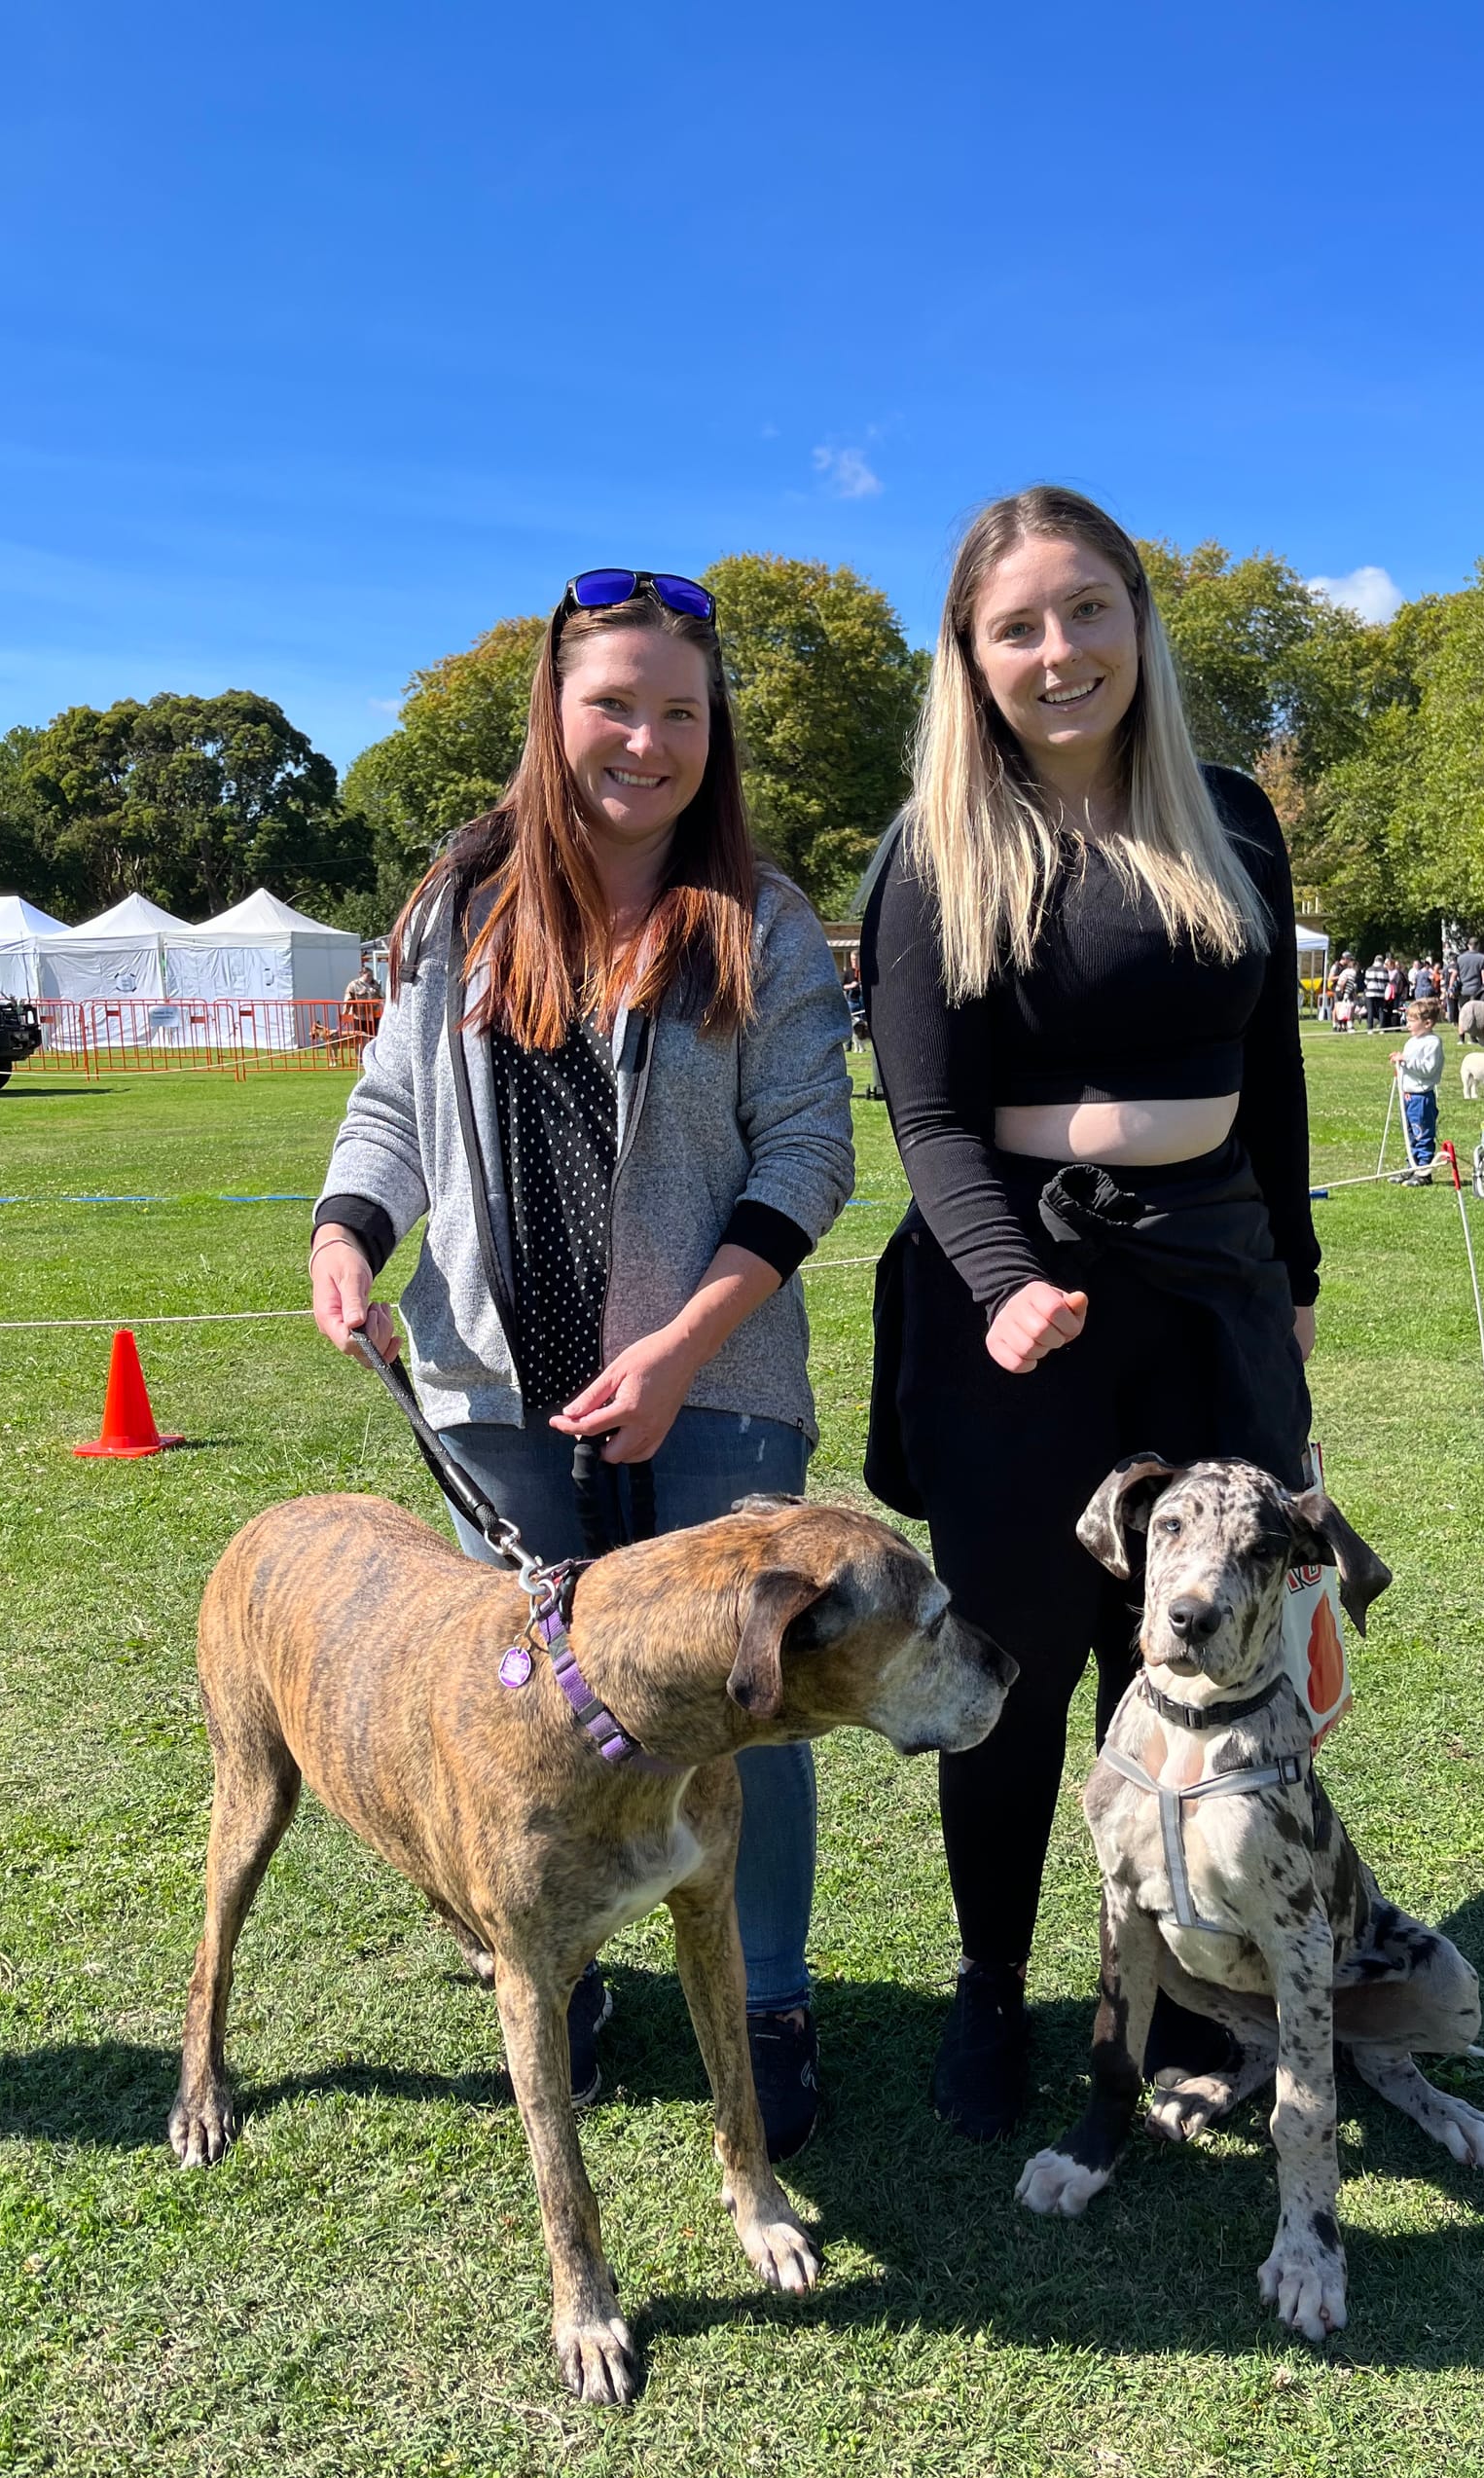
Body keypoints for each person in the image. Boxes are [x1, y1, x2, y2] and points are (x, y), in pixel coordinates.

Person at [309, 565, 855, 2156]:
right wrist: (351, 1231)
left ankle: (766, 1998)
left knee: (741, 1710)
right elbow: (392, 1114)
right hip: (497, 1399)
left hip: (718, 1398)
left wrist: (686, 1345)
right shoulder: (458, 908)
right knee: (529, 1712)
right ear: (553, 711)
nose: (647, 739)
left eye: (681, 711)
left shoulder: (760, 917)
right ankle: (564, 1971)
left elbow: (808, 1150)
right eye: (615, 702)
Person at [860, 487, 1318, 2140]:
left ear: (1139, 618)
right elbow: (923, 1118)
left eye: (1089, 611)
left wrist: (1299, 1290)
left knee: (1227, 1647)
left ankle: (1199, 1989)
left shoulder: (1231, 817)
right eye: (1019, 627)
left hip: (1212, 1285)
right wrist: (1005, 1284)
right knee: (1024, 1657)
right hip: (1018, 1290)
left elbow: (1268, 1084)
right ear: (972, 658)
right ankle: (996, 1985)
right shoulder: (934, 844)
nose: (1061, 653)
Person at [1390, 997, 1442, 1182]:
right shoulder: (1412, 1041)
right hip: (1408, 1095)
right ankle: (1411, 1164)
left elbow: (1428, 1069)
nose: (1408, 1023)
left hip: (1422, 1097)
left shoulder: (1433, 1043)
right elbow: (1408, 1065)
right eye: (1408, 1019)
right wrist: (1400, 1067)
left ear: (1427, 1023)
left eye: (1413, 1020)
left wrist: (1405, 1060)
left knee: (1422, 1133)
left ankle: (1424, 1170)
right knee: (1410, 1133)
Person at [1362, 954, 1390, 1031]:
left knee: (1370, 1010)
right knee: (1381, 1010)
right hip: (1380, 993)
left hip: (1370, 993)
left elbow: (1366, 981)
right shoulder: (1384, 970)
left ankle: (1370, 1028)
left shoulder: (1369, 969)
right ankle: (1382, 1028)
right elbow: (1386, 982)